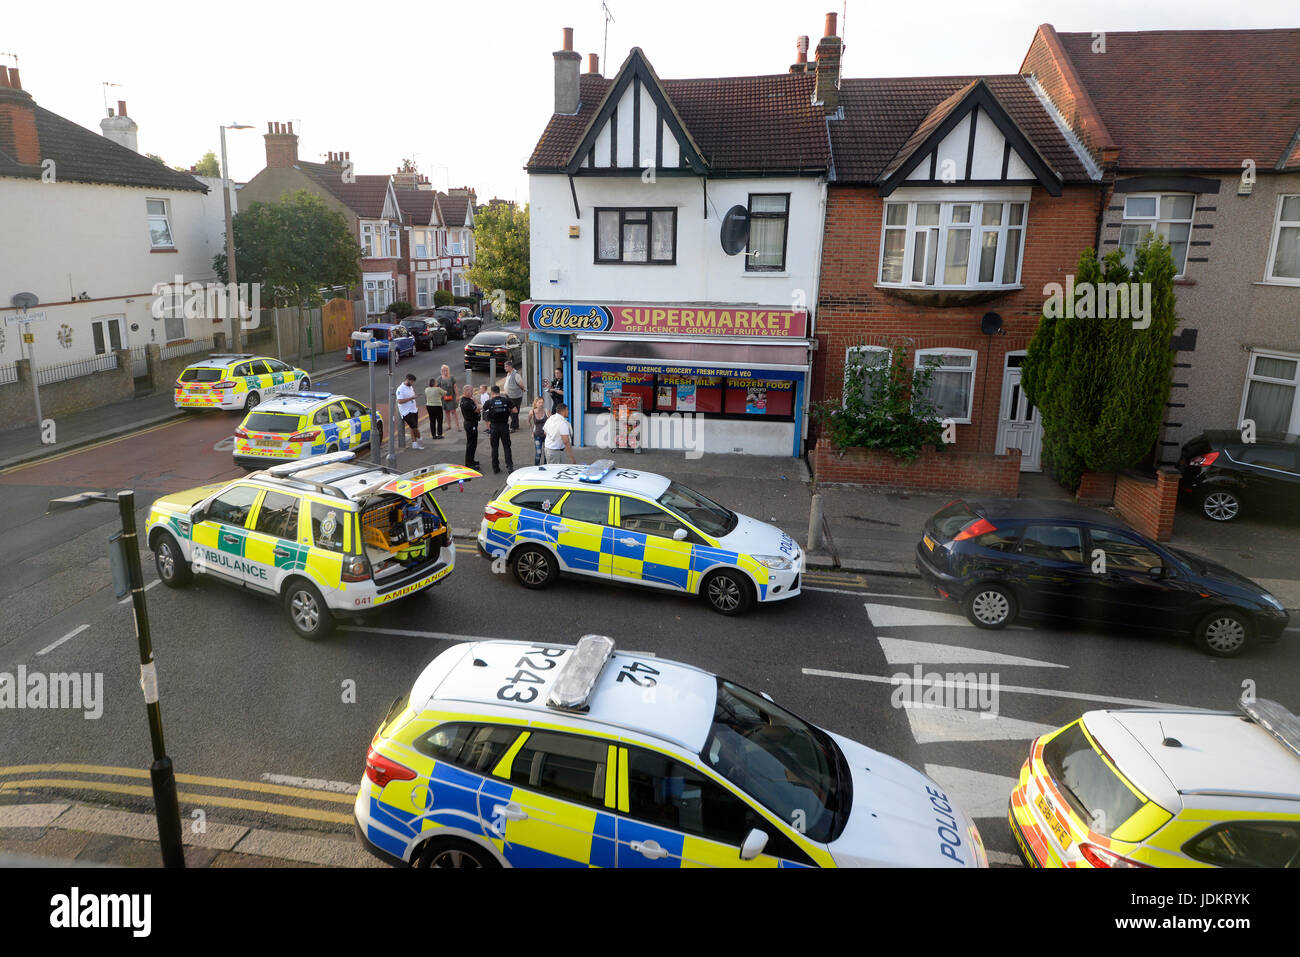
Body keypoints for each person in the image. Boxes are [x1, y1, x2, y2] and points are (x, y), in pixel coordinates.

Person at [485, 385, 515, 474]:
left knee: (494, 448)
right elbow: (515, 410)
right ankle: (509, 466)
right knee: (507, 447)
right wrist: (508, 410)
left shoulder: (489, 402)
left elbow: (482, 410)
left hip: (494, 427)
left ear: (492, 393)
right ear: (499, 392)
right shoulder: (506, 400)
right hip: (504, 427)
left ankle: (495, 468)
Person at [396, 373, 423, 450]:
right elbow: (400, 401)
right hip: (406, 412)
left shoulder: (410, 387)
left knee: (413, 427)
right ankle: (420, 438)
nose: (412, 383)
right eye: (411, 382)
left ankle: (414, 443)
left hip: (413, 410)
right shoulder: (400, 389)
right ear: (407, 380)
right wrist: (411, 398)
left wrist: (414, 398)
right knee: (414, 427)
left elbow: (412, 397)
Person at [459, 385, 481, 469]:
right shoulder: (467, 402)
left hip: (471, 423)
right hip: (470, 424)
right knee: (471, 444)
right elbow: (477, 409)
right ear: (466, 391)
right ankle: (469, 463)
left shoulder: (466, 400)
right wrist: (475, 401)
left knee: (473, 443)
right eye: (471, 391)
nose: (472, 393)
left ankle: (471, 460)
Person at [503, 361, 526, 431]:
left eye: (506, 366)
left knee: (514, 412)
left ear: (510, 366)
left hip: (515, 397)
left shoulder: (516, 375)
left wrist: (521, 390)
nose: (505, 368)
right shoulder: (508, 374)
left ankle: (513, 427)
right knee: (511, 412)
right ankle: (516, 425)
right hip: (509, 396)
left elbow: (522, 385)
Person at [437, 366, 459, 432]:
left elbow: (455, 387)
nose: (445, 372)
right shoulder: (439, 379)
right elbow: (437, 388)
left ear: (448, 370)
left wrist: (457, 396)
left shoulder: (452, 378)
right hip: (443, 398)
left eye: (446, 370)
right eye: (443, 370)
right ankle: (449, 425)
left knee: (453, 411)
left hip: (451, 397)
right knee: (446, 412)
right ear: (441, 371)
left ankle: (457, 426)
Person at [528, 397, 548, 466]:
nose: (541, 404)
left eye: (542, 402)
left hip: (546, 436)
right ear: (536, 403)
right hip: (537, 435)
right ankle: (536, 468)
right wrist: (532, 431)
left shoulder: (546, 411)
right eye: (539, 402)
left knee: (546, 453)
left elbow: (551, 422)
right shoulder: (532, 412)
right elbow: (529, 421)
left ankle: (546, 467)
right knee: (538, 453)